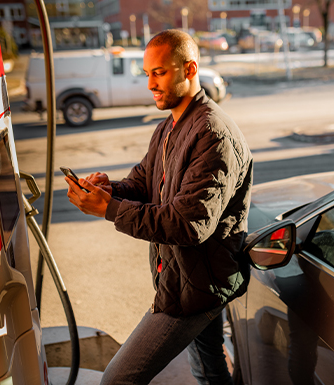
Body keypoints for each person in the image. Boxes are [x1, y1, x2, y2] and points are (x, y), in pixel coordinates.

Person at [64, 29, 253, 385]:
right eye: (147, 73)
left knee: (117, 379)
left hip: (198, 287)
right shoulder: (168, 127)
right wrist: (109, 190)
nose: (150, 83)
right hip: (182, 278)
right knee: (210, 371)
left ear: (189, 69)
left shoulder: (213, 135)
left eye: (159, 72)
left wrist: (109, 209)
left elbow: (188, 224)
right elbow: (144, 183)